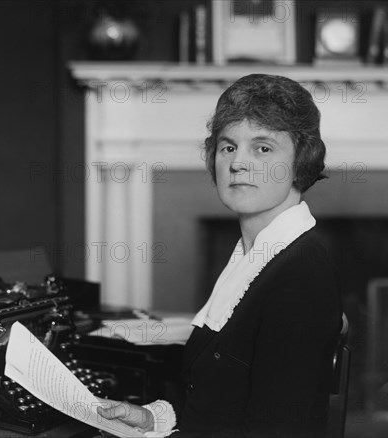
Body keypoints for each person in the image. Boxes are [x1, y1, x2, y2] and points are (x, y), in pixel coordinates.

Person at [96, 74, 343, 438]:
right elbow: (220, 398)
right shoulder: (254, 255)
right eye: (228, 147)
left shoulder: (301, 273)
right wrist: (153, 419)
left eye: (262, 148)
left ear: (302, 160)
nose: (238, 163)